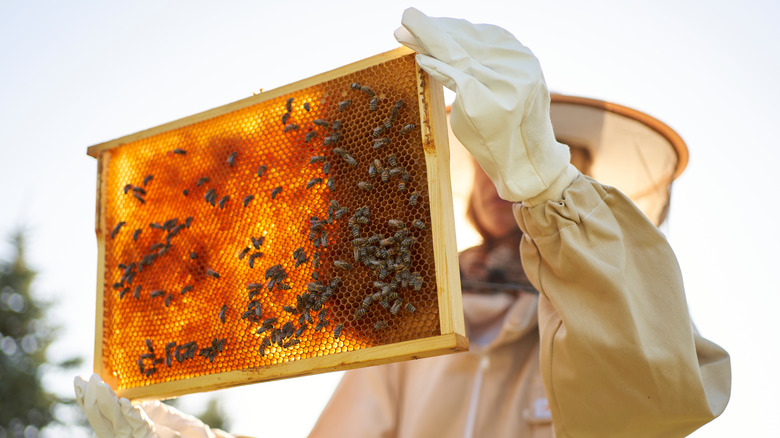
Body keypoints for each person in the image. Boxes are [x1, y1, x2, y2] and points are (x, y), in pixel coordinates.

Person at [74, 8, 731, 438]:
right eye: (486, 159)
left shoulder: (600, 317)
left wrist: (548, 187)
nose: (498, 178)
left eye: (521, 150)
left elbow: (659, 399)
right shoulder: (405, 329)